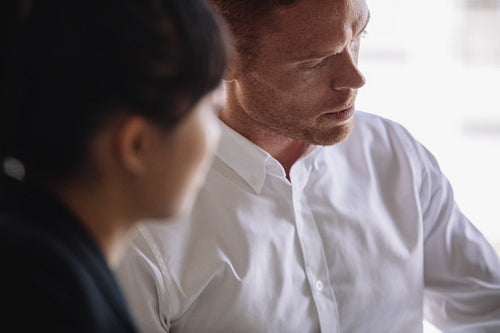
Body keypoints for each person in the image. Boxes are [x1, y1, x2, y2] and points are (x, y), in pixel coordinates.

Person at [116, 0, 500, 332]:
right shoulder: (145, 227)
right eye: (315, 62)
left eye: (358, 36)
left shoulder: (396, 158)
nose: (355, 78)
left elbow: (488, 309)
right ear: (222, 56)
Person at [0, 0, 227, 331]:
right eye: (210, 110)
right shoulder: (52, 304)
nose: (217, 136)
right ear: (137, 144)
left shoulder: (36, 255)